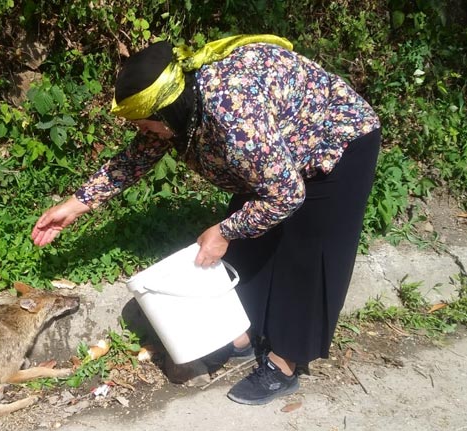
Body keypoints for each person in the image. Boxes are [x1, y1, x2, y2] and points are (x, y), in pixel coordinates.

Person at [31, 34, 381, 405]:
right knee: (248, 242)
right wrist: (75, 204)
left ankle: (285, 363)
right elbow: (134, 158)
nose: (142, 132)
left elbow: (286, 194)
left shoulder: (232, 113)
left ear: (166, 112)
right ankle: (241, 336)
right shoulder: (180, 106)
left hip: (336, 141)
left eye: (146, 124)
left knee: (305, 253)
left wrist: (225, 231)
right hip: (275, 152)